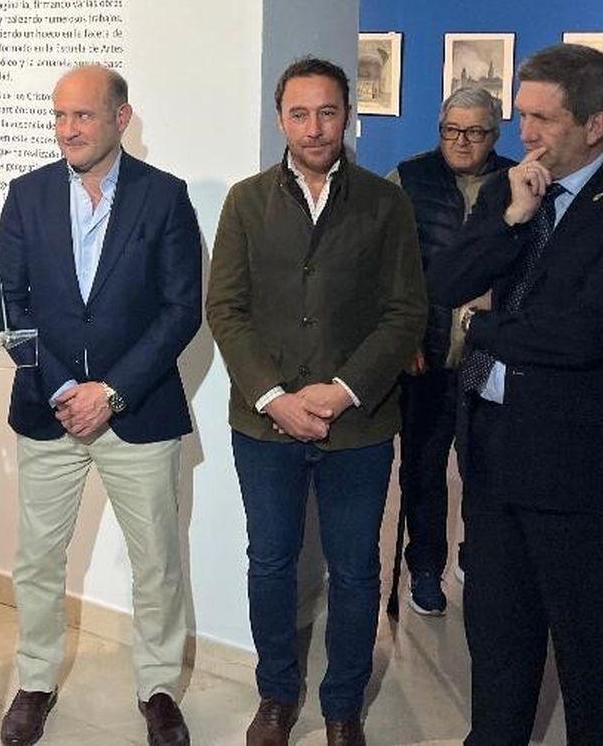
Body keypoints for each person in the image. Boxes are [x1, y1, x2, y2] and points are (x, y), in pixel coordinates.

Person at [428, 43, 603, 746]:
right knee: (499, 638)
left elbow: (587, 336)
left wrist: (483, 328)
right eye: (521, 115)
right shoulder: (516, 187)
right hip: (494, 453)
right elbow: (446, 283)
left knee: (596, 655)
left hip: (582, 471)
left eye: (543, 118)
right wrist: (508, 220)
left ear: (597, 125)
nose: (525, 133)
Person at [208, 56, 426, 746]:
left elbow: (404, 312)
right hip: (264, 425)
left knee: (355, 569)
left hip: (357, 425)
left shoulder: (385, 203)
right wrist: (274, 397)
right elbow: (226, 308)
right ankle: (276, 695)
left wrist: (340, 390)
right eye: (299, 114)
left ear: (347, 115)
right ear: (281, 119)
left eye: (326, 112)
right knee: (270, 562)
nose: (313, 127)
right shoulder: (245, 201)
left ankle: (341, 705)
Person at [0, 65, 202, 746]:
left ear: (120, 118)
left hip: (137, 412)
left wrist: (110, 393)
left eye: (82, 116)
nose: (67, 130)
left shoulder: (164, 198)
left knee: (158, 560)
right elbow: (8, 303)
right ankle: (35, 678)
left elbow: (180, 310)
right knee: (38, 558)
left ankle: (160, 687)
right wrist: (61, 389)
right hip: (47, 411)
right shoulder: (25, 196)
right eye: (59, 116)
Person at [387, 86, 512, 617]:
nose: (461, 141)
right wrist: (407, 336)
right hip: (428, 351)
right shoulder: (409, 179)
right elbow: (392, 266)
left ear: (494, 135)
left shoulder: (518, 182)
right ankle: (425, 567)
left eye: (475, 131)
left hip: (490, 350)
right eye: (451, 130)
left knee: (485, 464)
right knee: (423, 465)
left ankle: (477, 556)